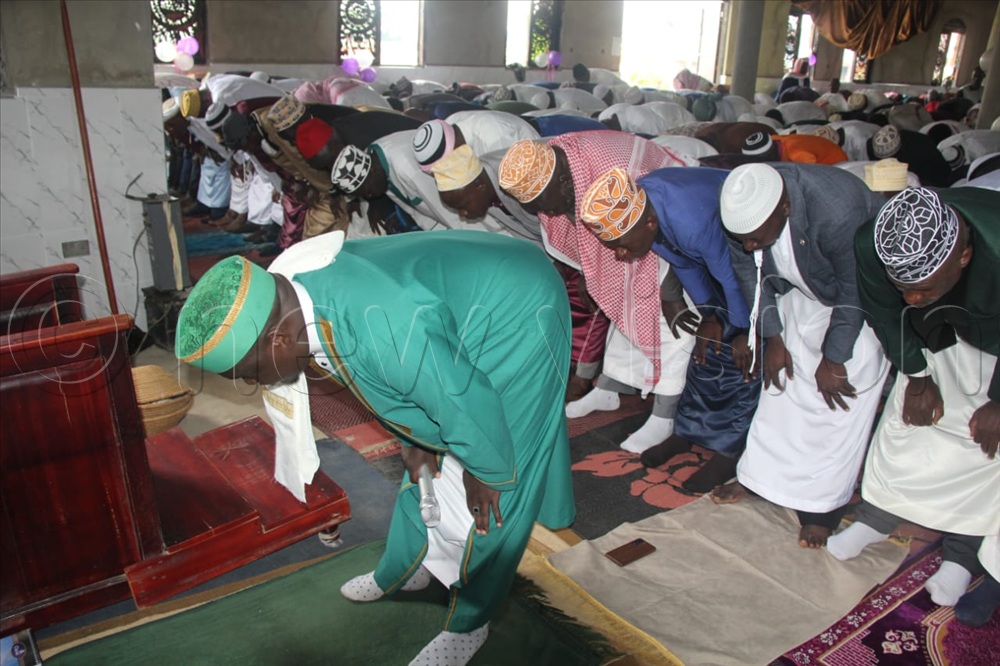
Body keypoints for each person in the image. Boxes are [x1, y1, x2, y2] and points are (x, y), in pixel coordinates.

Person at [173, 230, 575, 666]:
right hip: (451, 304)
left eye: (249, 372)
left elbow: (462, 401)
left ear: (279, 341)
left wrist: (486, 471)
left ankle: (471, 622)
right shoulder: (297, 304)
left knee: (500, 476)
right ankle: (411, 564)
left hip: (519, 307)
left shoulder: (382, 330)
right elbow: (395, 387)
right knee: (425, 464)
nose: (254, 383)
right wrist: (413, 440)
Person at [826, 186, 1000, 607]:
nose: (911, 297)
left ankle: (960, 556)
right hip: (935, 328)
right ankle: (876, 519)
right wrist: (918, 376)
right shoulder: (875, 242)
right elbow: (887, 311)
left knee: (983, 445)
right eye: (903, 285)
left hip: (993, 342)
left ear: (963, 256)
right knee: (909, 421)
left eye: (921, 287)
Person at [711, 163, 889, 548]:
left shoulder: (838, 211)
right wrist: (773, 338)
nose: (748, 246)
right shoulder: (740, 206)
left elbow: (853, 290)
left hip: (863, 299)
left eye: (755, 239)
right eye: (743, 239)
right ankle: (762, 480)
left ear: (786, 208)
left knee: (843, 391)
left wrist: (834, 358)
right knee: (781, 384)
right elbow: (749, 273)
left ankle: (822, 507)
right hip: (803, 289)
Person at [499, 133, 696, 452]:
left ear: (564, 182)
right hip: (633, 228)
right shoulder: (561, 175)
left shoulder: (614, 175)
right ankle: (609, 388)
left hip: (667, 222)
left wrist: (671, 293)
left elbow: (661, 234)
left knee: (667, 318)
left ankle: (665, 415)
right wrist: (586, 272)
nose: (544, 212)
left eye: (541, 203)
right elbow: (572, 225)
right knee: (619, 300)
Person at [577, 166, 761, 492]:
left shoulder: (690, 222)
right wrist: (709, 315)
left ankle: (728, 451)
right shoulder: (645, 215)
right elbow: (683, 263)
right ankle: (687, 431)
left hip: (750, 255)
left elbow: (733, 277)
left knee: (741, 354)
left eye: (621, 244)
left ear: (649, 223)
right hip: (715, 259)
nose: (619, 254)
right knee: (704, 343)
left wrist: (743, 329)